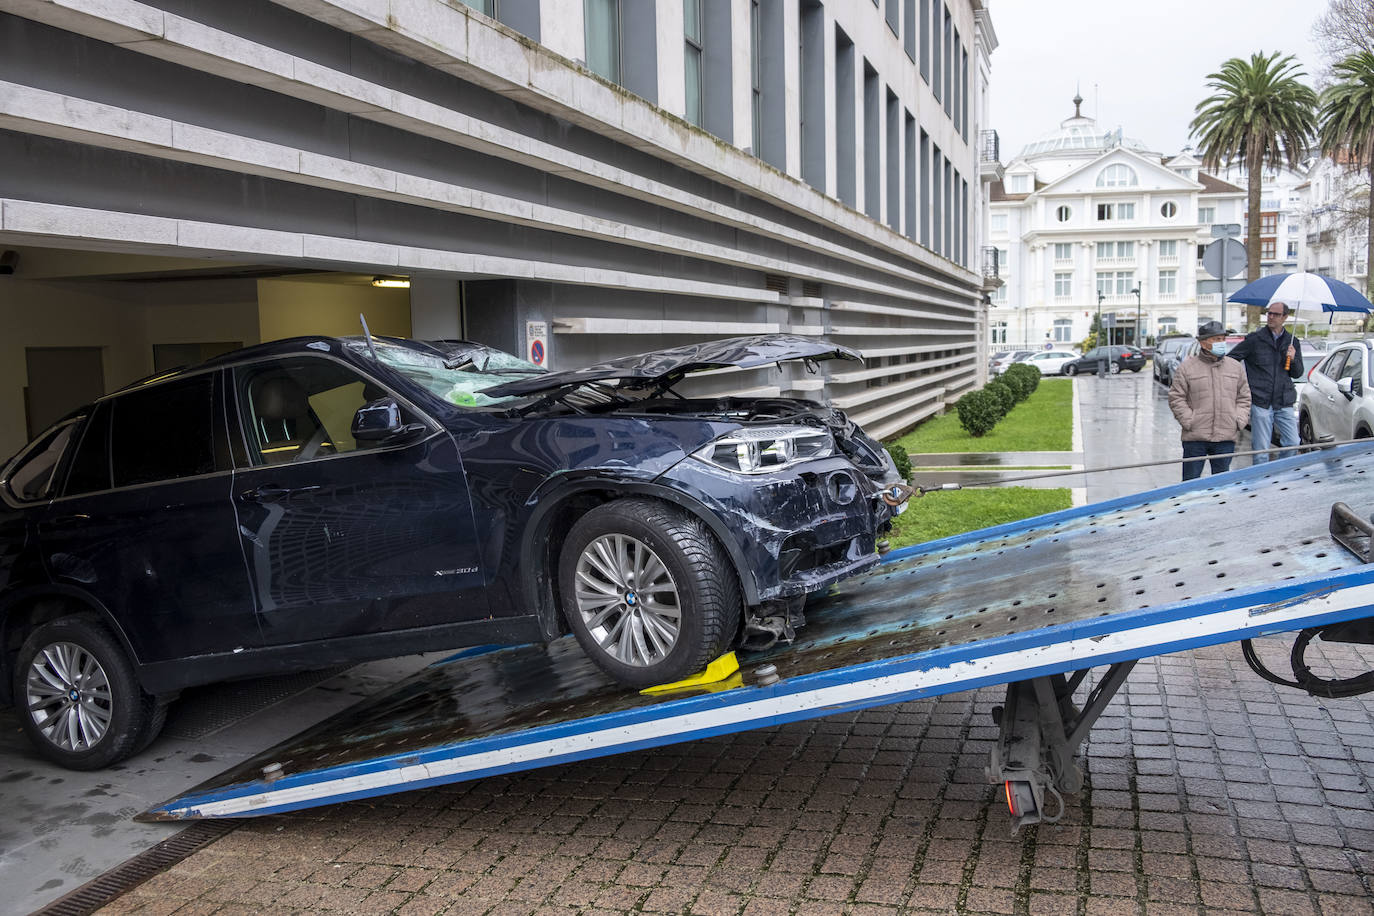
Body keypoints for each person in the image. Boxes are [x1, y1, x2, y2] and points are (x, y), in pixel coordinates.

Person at [1168, 321, 1251, 480]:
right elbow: (1176, 397)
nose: (1221, 343)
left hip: (1225, 436)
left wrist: (1238, 420)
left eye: (1222, 339)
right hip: (1195, 438)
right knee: (1190, 485)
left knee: (1221, 486)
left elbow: (1244, 397)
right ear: (1203, 343)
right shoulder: (1187, 368)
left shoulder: (1235, 367)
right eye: (1216, 339)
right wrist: (1189, 420)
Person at [1226, 302, 1305, 463]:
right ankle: (1261, 484)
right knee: (1261, 451)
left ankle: (1280, 474)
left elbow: (1297, 373)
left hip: (1284, 401)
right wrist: (1242, 384)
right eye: (1269, 313)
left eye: (1276, 314)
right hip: (1261, 401)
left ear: (1285, 317)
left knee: (1293, 443)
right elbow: (1231, 359)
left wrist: (1293, 358)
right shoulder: (1255, 339)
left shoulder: (1292, 342)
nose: (1271, 317)